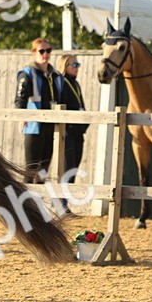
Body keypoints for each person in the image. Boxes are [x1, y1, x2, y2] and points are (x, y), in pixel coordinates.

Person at [15, 38, 63, 182]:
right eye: (41, 51)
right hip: (33, 125)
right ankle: (24, 203)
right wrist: (21, 117)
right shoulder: (27, 73)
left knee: (44, 170)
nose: (45, 54)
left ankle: (38, 202)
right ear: (34, 53)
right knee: (31, 169)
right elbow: (20, 99)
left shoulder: (56, 75)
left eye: (48, 51)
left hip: (49, 125)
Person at [57, 53, 89, 189]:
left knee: (74, 168)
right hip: (68, 132)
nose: (77, 68)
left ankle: (65, 203)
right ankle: (61, 204)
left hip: (78, 132)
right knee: (67, 169)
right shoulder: (61, 83)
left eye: (78, 65)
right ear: (65, 66)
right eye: (74, 65)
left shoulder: (75, 83)